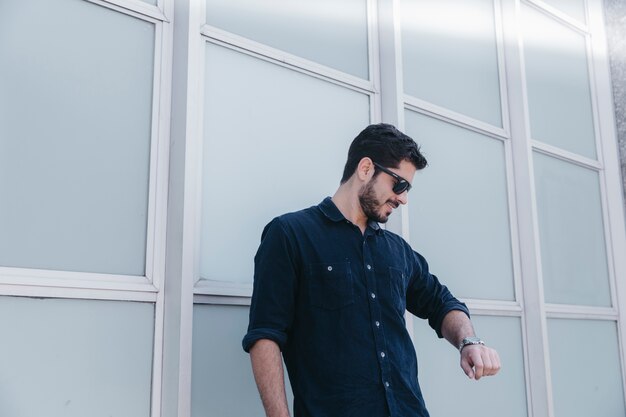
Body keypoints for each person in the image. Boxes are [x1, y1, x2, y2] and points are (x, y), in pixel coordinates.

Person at [242, 123, 501, 417]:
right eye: (399, 184)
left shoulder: (397, 251)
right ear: (366, 169)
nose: (403, 198)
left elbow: (442, 302)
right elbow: (265, 336)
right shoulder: (290, 235)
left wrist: (468, 342)